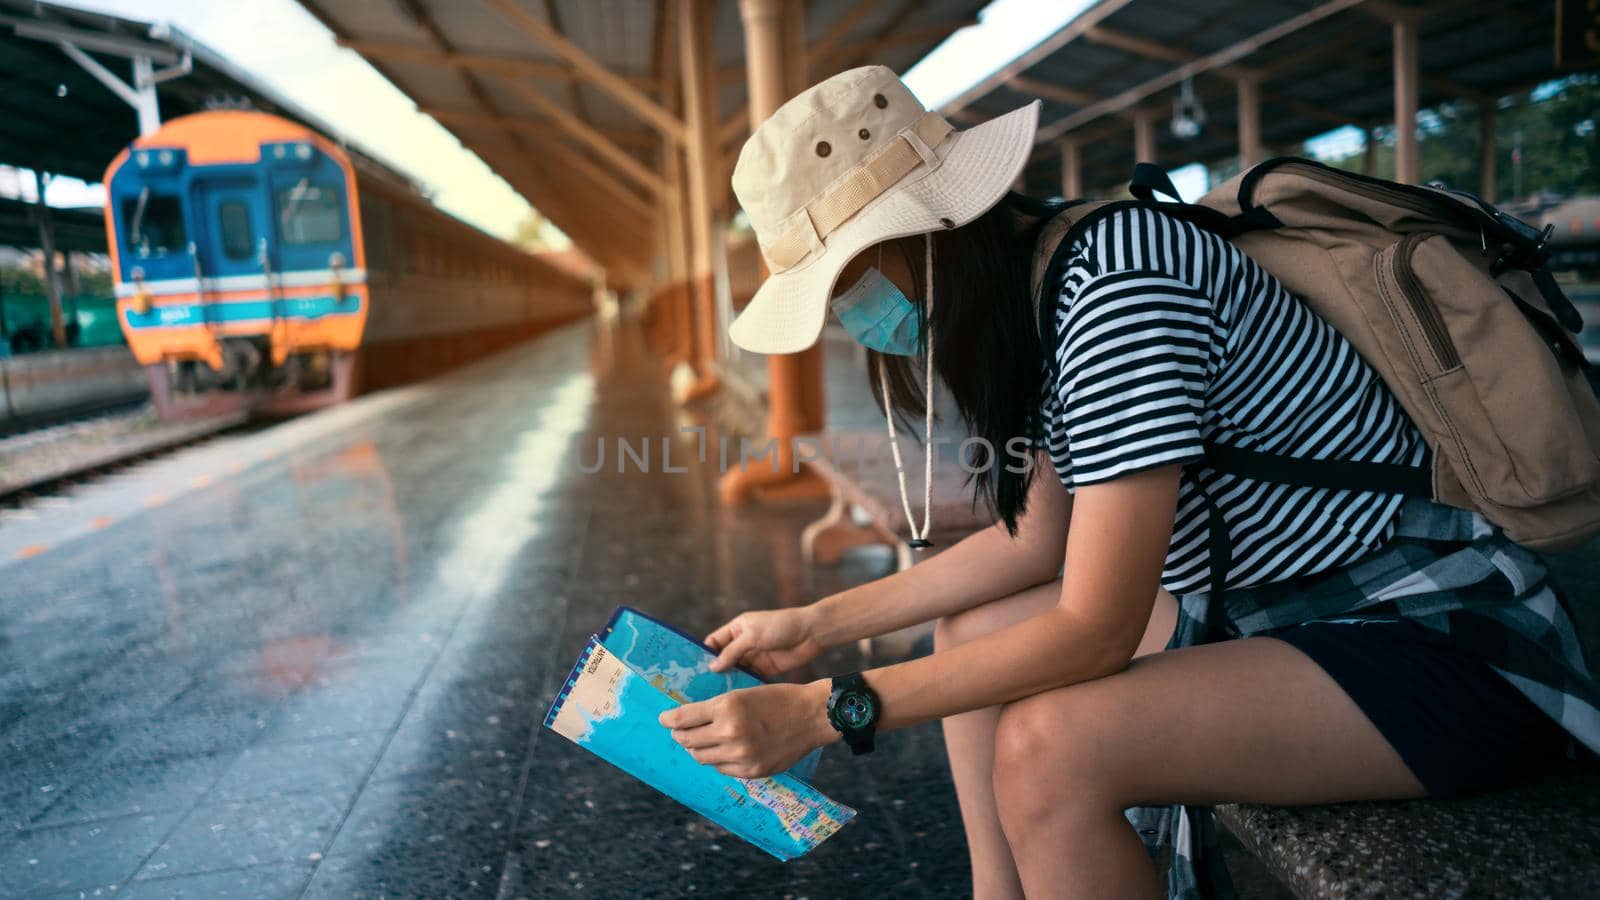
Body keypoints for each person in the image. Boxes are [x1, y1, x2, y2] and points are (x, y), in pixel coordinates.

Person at [656, 65, 1598, 899]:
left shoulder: (1117, 287)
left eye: (845, 284)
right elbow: (1041, 540)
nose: (848, 318)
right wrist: (816, 626)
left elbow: (1096, 628)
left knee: (1051, 752)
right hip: (1273, 611)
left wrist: (829, 710)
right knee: (975, 632)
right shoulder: (1050, 280)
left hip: (1441, 637)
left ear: (926, 235)